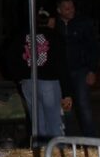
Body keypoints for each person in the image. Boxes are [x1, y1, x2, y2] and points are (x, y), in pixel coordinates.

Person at [8, 9, 71, 143]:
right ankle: (56, 153)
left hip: (28, 82)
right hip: (49, 81)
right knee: (54, 122)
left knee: (37, 125)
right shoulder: (55, 36)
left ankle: (40, 151)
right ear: (50, 20)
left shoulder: (22, 35)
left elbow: (9, 57)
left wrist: (19, 76)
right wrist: (67, 92)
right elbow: (62, 65)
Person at [55, 0, 100, 137]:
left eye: (72, 7)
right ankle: (67, 138)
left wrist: (92, 70)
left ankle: (90, 140)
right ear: (59, 10)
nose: (71, 11)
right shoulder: (55, 25)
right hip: (62, 72)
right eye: (67, 8)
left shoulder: (83, 23)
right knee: (65, 106)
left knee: (83, 105)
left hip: (80, 70)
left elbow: (93, 47)